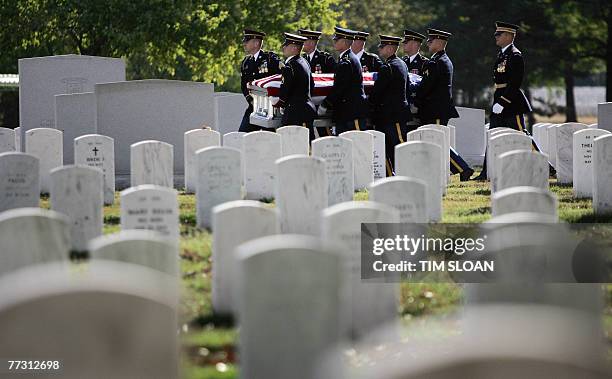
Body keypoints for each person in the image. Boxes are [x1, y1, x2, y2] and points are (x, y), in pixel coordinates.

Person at [416, 28, 474, 181]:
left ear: (440, 42)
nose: (428, 43)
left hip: (435, 109)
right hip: (437, 108)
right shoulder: (442, 60)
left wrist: (414, 94)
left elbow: (426, 86)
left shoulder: (437, 62)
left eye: (431, 40)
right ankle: (462, 168)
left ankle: (463, 168)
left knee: (437, 141)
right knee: (436, 141)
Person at [369, 34, 411, 176]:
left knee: (399, 144)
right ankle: (392, 174)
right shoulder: (400, 64)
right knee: (387, 147)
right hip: (390, 114)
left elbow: (377, 92)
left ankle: (406, 172)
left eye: (382, 46)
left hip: (393, 115)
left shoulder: (389, 67)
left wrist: (368, 105)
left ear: (391, 48)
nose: (380, 49)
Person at [318, 27, 369, 134]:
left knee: (358, 145)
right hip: (347, 112)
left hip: (351, 112)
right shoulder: (347, 59)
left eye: (337, 40)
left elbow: (339, 88)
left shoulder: (347, 61)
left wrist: (326, 104)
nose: (334, 41)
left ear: (345, 42)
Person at [272, 33, 317, 141]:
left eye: (286, 45)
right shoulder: (304, 62)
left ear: (294, 48)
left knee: (300, 145)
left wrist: (277, 103)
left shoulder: (290, 66)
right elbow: (312, 85)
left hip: (295, 114)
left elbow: (285, 92)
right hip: (305, 110)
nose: (283, 47)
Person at [239, 29, 281, 132]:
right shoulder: (246, 62)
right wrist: (251, 100)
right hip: (253, 108)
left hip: (270, 110)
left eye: (247, 41)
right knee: (242, 136)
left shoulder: (270, 59)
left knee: (271, 139)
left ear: (256, 43)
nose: (244, 44)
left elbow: (280, 79)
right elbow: (244, 85)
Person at [401, 29, 429, 125]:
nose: (403, 44)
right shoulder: (402, 62)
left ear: (414, 44)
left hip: (416, 111)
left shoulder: (424, 63)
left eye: (406, 42)